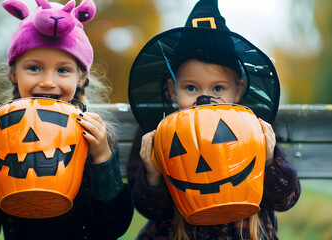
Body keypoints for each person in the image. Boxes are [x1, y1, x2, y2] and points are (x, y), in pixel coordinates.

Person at [0, 0, 133, 239]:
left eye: (63, 70)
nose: (48, 81)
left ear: (81, 78)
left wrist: (101, 155)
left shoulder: (96, 135)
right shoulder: (0, 132)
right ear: (13, 73)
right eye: (34, 68)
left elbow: (113, 227)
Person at [127, 0, 300, 239]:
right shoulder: (158, 134)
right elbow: (149, 209)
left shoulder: (252, 129)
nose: (205, 98)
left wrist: (270, 161)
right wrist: (153, 175)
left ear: (237, 91)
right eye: (191, 88)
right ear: (173, 89)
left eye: (218, 88)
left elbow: (285, 200)